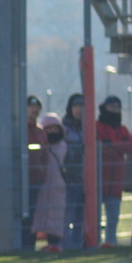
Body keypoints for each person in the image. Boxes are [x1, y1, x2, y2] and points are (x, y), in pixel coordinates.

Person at [97, 95, 132, 247]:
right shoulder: (97, 126)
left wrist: (110, 145)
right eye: (111, 106)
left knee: (113, 218)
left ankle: (111, 243)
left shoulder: (123, 129)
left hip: (116, 183)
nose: (115, 109)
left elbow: (129, 147)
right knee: (95, 217)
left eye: (117, 107)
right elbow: (99, 147)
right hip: (99, 181)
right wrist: (117, 147)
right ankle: (95, 243)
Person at [33, 113, 68, 252]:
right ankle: (32, 245)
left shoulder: (65, 147)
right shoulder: (41, 146)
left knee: (56, 215)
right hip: (42, 185)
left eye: (55, 128)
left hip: (58, 186)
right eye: (48, 129)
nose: (52, 132)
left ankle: (55, 243)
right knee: (38, 216)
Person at [62, 94, 85, 249]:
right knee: (67, 212)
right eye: (75, 106)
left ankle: (78, 242)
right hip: (69, 177)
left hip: (86, 177)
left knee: (81, 213)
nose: (79, 110)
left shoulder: (89, 127)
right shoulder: (64, 127)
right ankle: (65, 243)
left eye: (82, 106)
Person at [24, 95, 47, 250]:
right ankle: (21, 244)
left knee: (33, 214)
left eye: (37, 107)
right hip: (22, 179)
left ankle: (29, 245)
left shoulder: (39, 131)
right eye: (31, 107)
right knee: (23, 213)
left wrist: (43, 173)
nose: (35, 110)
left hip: (36, 179)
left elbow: (44, 155)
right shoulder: (21, 129)